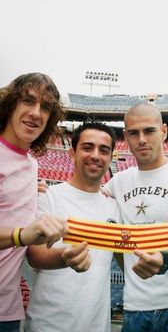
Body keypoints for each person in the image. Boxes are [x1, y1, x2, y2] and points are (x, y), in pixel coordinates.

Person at [104, 102, 168, 332]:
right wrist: (40, 189)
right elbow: (84, 198)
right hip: (135, 307)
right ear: (125, 137)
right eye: (133, 133)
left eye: (149, 131)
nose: (141, 139)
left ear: (164, 132)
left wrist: (164, 260)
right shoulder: (117, 183)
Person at [24, 121, 121, 332]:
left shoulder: (115, 207)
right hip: (48, 325)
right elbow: (34, 254)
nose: (95, 155)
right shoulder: (48, 196)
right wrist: (64, 258)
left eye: (104, 150)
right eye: (87, 147)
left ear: (111, 157)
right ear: (72, 153)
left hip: (97, 326)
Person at [0, 72, 68, 332]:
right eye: (28, 101)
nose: (36, 113)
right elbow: (22, 234)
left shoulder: (32, 167)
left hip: (8, 311)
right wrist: (21, 235)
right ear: (10, 103)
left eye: (46, 107)